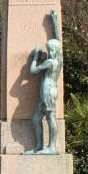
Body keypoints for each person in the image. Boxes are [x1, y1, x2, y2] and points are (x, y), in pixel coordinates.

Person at [25, 9, 62, 154]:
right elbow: (58, 40)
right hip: (46, 91)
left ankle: (52, 147)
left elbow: (32, 71)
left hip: (48, 90)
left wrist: (35, 57)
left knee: (51, 116)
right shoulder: (59, 59)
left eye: (48, 49)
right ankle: (39, 146)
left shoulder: (51, 62)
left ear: (52, 50)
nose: (48, 50)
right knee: (36, 118)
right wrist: (55, 21)